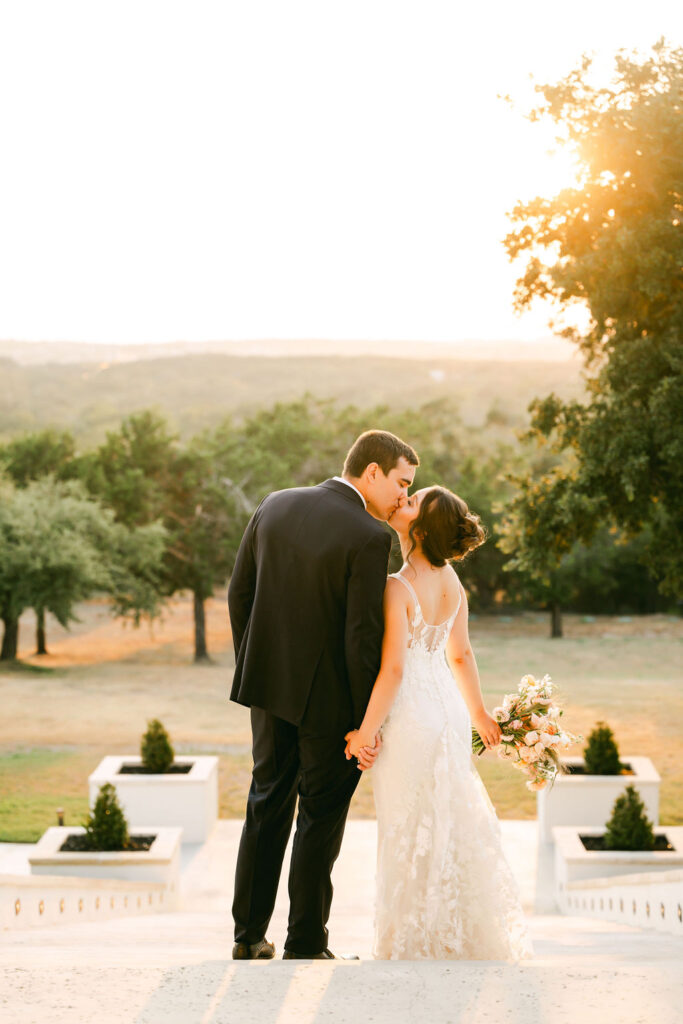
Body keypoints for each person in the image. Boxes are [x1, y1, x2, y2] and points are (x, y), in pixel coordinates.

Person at [228, 429, 418, 960]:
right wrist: (366, 723)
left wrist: (256, 664)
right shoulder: (368, 535)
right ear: (372, 471)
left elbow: (239, 591)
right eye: (401, 483)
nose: (403, 497)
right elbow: (360, 637)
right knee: (319, 816)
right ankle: (306, 941)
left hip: (267, 688)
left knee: (266, 803)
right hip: (331, 706)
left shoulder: (275, 504)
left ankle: (247, 937)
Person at [345, 485, 534, 960]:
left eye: (412, 501)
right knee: (447, 818)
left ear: (422, 529)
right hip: (447, 713)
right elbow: (461, 653)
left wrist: (365, 734)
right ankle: (457, 935)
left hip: (411, 717)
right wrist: (477, 713)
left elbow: (392, 670)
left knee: (406, 826)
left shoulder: (398, 586)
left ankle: (410, 943)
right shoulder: (452, 583)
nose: (401, 501)